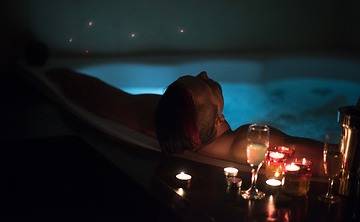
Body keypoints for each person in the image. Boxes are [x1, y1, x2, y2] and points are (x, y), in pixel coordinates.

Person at [46, 68, 325, 176]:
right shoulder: (246, 143)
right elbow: (336, 160)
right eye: (208, 84)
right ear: (219, 119)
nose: (204, 73)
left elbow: (99, 97)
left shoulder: (160, 120)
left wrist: (61, 74)